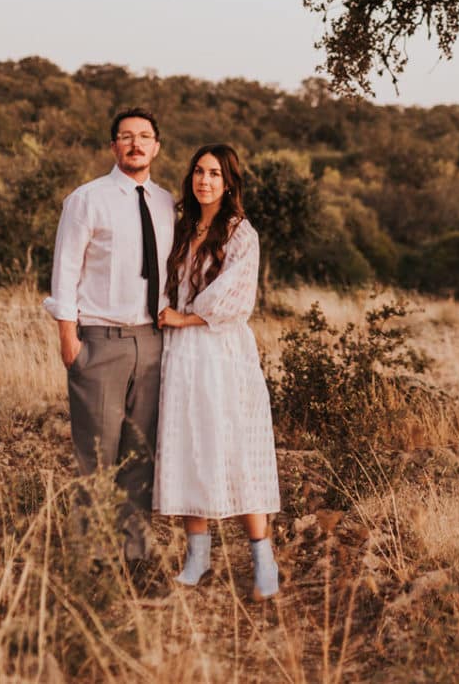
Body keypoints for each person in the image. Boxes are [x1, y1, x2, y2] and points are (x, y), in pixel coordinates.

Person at [44, 108, 174, 569]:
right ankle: (88, 562)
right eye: (126, 137)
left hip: (153, 343)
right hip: (99, 341)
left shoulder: (166, 202)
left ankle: (134, 559)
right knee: (96, 457)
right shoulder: (87, 200)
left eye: (144, 137)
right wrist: (69, 339)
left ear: (156, 146)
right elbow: (65, 269)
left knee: (140, 457)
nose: (136, 144)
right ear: (113, 146)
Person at [154, 143, 281, 600]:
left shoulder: (240, 233)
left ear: (229, 182)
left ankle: (263, 558)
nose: (203, 180)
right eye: (197, 172)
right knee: (189, 445)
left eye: (213, 173)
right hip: (182, 353)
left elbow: (237, 296)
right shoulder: (180, 225)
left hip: (221, 350)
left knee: (236, 447)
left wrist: (185, 317)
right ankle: (198, 555)